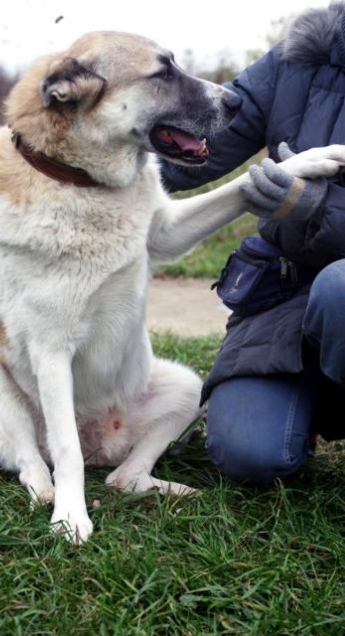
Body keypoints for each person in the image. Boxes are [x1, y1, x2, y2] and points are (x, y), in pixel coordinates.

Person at [160, 1, 345, 484]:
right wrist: (74, 162)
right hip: (285, 290)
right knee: (248, 455)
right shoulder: (298, 57)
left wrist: (316, 207)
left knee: (340, 289)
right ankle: (314, 397)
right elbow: (199, 143)